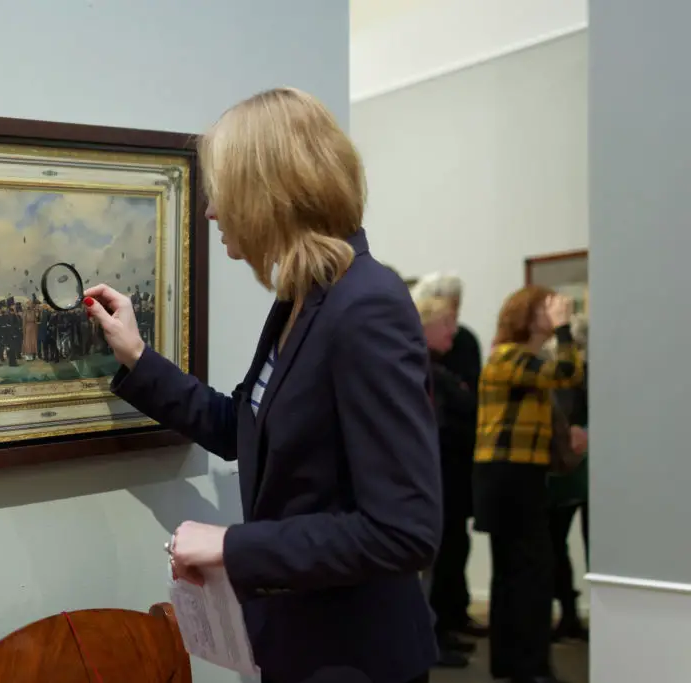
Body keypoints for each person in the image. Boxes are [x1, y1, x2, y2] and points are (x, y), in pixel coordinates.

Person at [84, 87, 441, 683]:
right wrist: (139, 357)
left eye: (220, 192)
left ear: (267, 192)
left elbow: (404, 531)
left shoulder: (366, 306)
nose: (210, 212)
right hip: (295, 646)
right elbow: (241, 428)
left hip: (355, 660)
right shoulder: (302, 301)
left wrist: (232, 546)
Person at [473, 286, 584, 683]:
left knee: (513, 574)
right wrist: (566, 327)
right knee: (532, 572)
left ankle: (512, 666)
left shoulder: (520, 359)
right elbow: (569, 372)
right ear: (525, 315)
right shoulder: (509, 357)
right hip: (511, 476)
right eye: (544, 306)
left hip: (509, 476)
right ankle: (530, 669)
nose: (552, 311)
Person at [411, 271, 485, 639]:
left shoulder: (452, 353)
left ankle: (444, 627)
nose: (453, 330)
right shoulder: (422, 367)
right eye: (447, 322)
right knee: (434, 553)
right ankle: (435, 634)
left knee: (451, 547)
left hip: (449, 466)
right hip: (433, 471)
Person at [546, 314, 589, 641]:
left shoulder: (565, 373)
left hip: (566, 470)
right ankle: (573, 615)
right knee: (561, 547)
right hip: (575, 469)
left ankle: (570, 615)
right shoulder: (568, 372)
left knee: (556, 546)